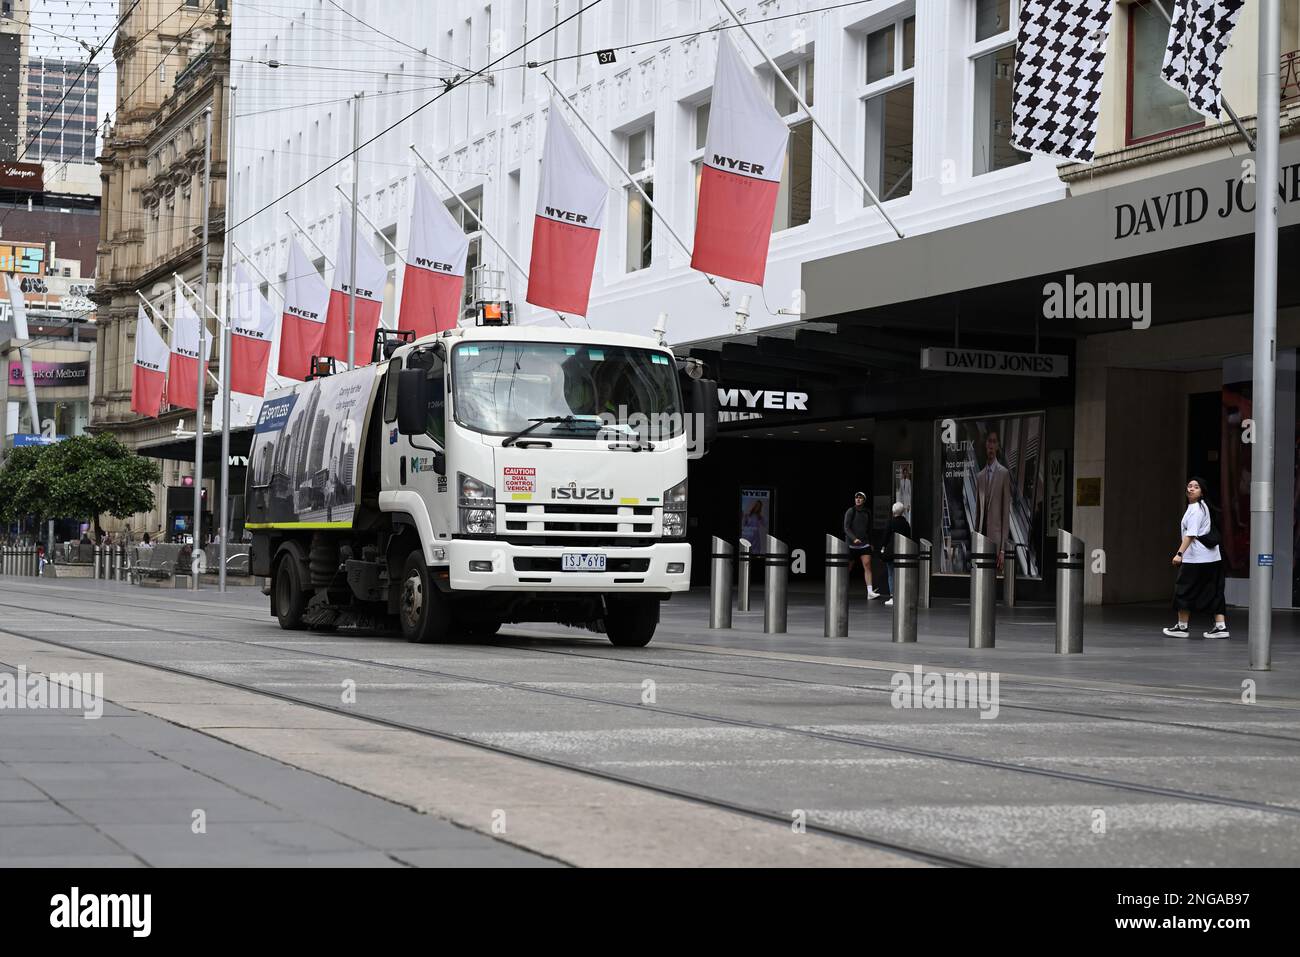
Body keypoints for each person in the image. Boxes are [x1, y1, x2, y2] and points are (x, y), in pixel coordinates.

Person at [1165, 477, 1229, 639]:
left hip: (1196, 558)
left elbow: (1191, 534)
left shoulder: (1196, 509)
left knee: (1184, 590)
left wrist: (1179, 554)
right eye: (1190, 486)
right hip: (1212, 557)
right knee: (1214, 591)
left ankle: (1182, 627)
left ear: (1202, 492)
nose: (1192, 489)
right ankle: (1221, 627)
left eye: (1196, 487)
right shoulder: (1203, 507)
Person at [975, 429, 1012, 572]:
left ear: (997, 446)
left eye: (994, 442)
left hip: (996, 543)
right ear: (985, 444)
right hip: (981, 541)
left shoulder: (1004, 474)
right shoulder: (979, 476)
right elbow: (978, 514)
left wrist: (1003, 550)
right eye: (989, 441)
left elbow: (1005, 515)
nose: (991, 445)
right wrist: (975, 541)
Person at [843, 491, 880, 599]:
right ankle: (842, 588)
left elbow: (869, 529)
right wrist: (854, 538)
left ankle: (870, 592)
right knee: (848, 568)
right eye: (856, 498)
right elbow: (846, 527)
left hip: (864, 544)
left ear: (864, 500)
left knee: (867, 565)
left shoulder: (867, 512)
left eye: (860, 498)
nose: (858, 499)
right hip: (851, 545)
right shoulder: (851, 511)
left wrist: (871, 543)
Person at [882, 502, 913, 607]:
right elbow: (909, 537)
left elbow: (885, 537)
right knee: (902, 574)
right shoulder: (906, 524)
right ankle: (902, 595)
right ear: (903, 511)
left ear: (893, 511)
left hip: (891, 552)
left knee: (891, 574)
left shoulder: (890, 522)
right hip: (903, 551)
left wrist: (883, 547)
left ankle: (893, 596)